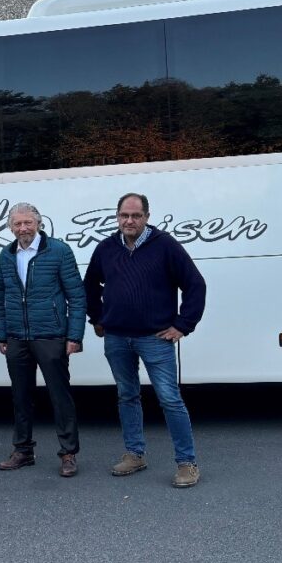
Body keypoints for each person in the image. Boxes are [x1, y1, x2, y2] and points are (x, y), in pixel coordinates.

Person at [84, 193, 208, 488]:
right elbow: (89, 285)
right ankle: (135, 454)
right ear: (117, 217)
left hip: (155, 338)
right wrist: (98, 319)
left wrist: (182, 325)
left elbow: (195, 284)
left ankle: (186, 463)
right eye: (124, 215)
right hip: (116, 338)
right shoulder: (106, 248)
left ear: (147, 217)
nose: (129, 221)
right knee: (127, 395)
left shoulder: (165, 245)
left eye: (136, 216)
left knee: (170, 399)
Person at [0, 202, 86, 477]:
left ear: (39, 223)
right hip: (16, 338)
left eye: (28, 223)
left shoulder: (58, 251)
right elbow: (0, 297)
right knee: (20, 397)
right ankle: (23, 451)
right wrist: (2, 334)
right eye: (17, 224)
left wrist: (74, 335)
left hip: (51, 335)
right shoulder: (6, 255)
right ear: (11, 227)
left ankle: (68, 453)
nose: (23, 228)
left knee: (60, 397)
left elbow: (77, 296)